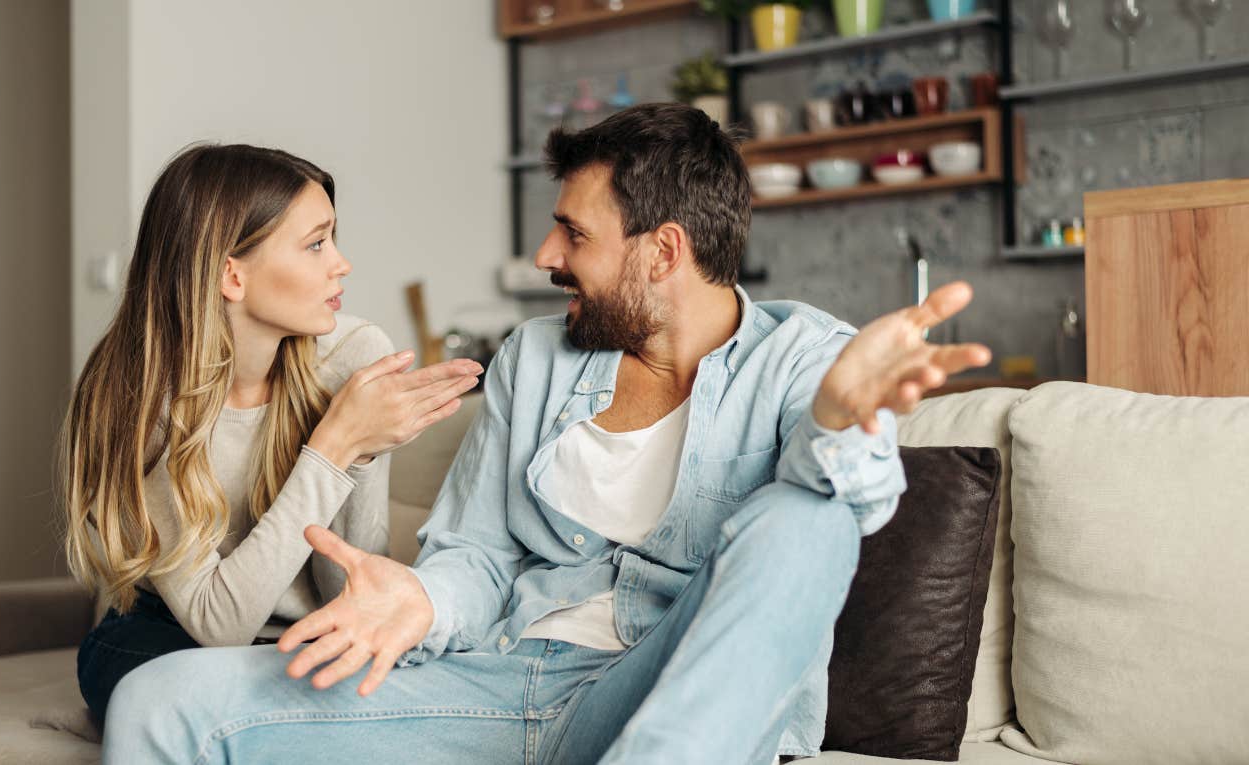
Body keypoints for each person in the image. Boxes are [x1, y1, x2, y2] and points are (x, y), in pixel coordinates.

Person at [101, 104, 991, 764]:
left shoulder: (806, 359)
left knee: (808, 514)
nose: (545, 257)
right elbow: (476, 557)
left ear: (663, 251)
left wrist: (838, 423)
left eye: (572, 232)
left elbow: (853, 509)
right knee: (154, 698)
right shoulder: (536, 357)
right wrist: (422, 602)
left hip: (651, 697)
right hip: (490, 681)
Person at [58, 144, 482, 724]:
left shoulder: (354, 358)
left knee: (366, 682)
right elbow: (218, 625)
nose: (342, 264)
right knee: (161, 689)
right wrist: (333, 447)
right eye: (315, 244)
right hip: (169, 634)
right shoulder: (138, 397)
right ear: (231, 274)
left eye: (332, 238)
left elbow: (344, 588)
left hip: (309, 632)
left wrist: (356, 452)